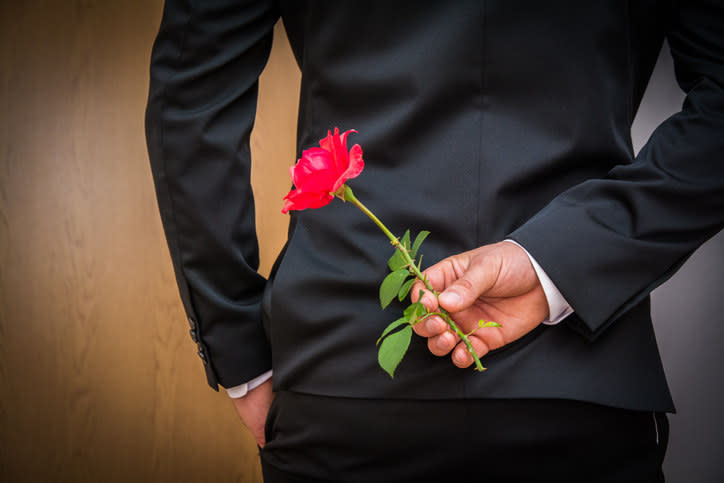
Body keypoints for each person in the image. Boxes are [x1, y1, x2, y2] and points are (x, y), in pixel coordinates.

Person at [145, 1, 724, 481]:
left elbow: (192, 93)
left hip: (340, 370)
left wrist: (241, 359)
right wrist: (557, 262)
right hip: (583, 379)